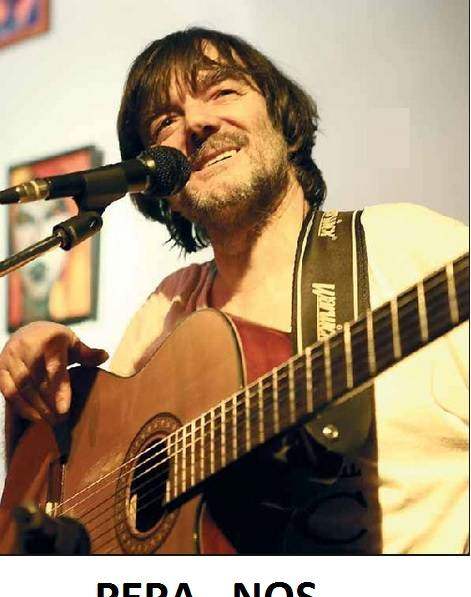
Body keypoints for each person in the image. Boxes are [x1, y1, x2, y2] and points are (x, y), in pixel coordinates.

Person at [0, 28, 468, 554]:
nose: (197, 123)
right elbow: (83, 489)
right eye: (165, 122)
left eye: (223, 91)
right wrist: (34, 384)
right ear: (160, 187)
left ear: (283, 122)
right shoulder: (168, 306)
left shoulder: (409, 248)